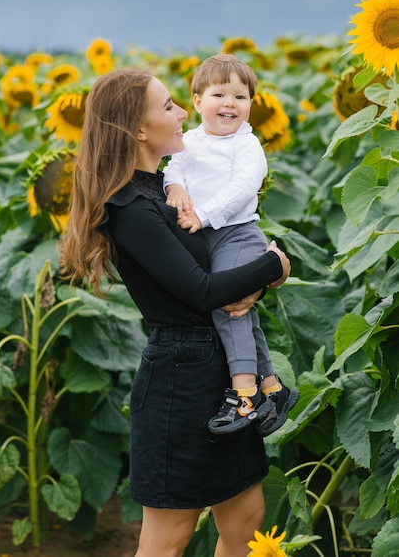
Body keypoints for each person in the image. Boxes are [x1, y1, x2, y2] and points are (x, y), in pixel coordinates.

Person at [59, 68, 291, 557]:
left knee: (246, 516)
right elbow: (204, 290)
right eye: (168, 106)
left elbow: (226, 278)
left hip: (224, 369)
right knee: (169, 538)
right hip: (180, 381)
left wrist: (253, 282)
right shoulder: (131, 209)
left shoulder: (163, 189)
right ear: (139, 130)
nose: (184, 112)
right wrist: (275, 263)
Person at [163, 54, 299, 437]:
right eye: (219, 94)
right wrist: (173, 186)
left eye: (240, 97)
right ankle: (271, 385)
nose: (230, 104)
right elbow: (173, 167)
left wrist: (201, 215)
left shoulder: (247, 145)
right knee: (244, 311)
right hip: (207, 236)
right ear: (196, 102)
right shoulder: (187, 141)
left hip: (236, 234)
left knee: (229, 307)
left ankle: (245, 396)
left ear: (250, 105)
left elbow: (242, 191)